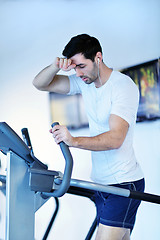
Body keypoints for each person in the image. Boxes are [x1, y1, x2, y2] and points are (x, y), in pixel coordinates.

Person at [33, 34, 145, 240]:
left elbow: (115, 138)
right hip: (101, 182)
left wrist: (73, 141)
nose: (78, 73)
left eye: (82, 66)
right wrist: (55, 65)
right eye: (74, 67)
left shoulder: (122, 86)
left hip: (122, 183)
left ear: (98, 58)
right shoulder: (84, 82)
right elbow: (40, 84)